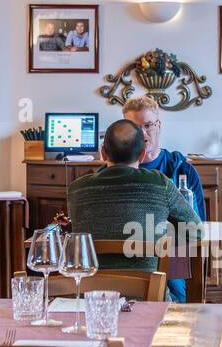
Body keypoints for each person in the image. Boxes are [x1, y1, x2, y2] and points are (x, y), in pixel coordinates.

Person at [69, 119, 200, 290]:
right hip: (147, 292)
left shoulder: (77, 188)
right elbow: (196, 230)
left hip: (90, 293)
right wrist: (159, 239)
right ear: (142, 154)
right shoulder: (160, 183)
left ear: (103, 152)